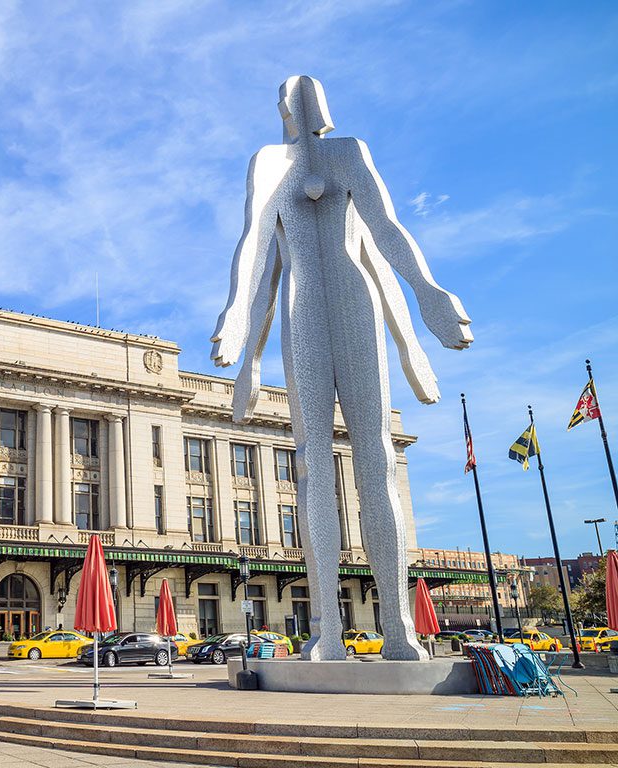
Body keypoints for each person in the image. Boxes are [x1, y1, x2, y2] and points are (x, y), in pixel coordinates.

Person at [211, 75, 471, 661]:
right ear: (281, 109)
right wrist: (239, 332)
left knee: (375, 460)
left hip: (356, 307)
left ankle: (399, 626)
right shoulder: (269, 163)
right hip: (305, 312)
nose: (300, 107)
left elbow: (384, 231)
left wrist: (427, 298)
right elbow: (255, 246)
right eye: (290, 100)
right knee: (311, 465)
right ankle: (328, 626)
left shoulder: (350, 153)